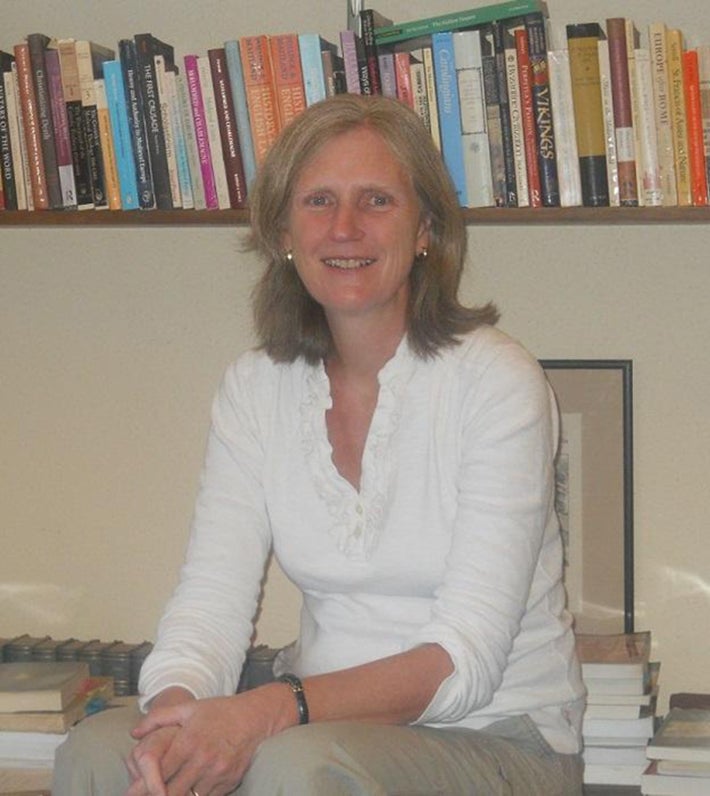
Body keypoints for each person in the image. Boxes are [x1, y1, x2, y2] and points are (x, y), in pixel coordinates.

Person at [53, 93, 585, 796]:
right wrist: (176, 720)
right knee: (99, 751)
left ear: (425, 228)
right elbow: (211, 603)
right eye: (318, 202)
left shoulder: (496, 381)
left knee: (298, 767)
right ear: (283, 233)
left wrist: (273, 711)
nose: (344, 228)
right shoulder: (255, 389)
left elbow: (463, 661)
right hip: (310, 725)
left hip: (496, 737)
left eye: (375, 201)